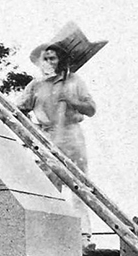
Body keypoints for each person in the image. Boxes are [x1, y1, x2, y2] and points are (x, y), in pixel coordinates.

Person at [16, 24, 104, 175]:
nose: (48, 62)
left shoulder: (74, 81)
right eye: (44, 59)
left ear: (60, 61)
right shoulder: (36, 85)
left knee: (79, 177)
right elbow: (19, 110)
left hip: (71, 134)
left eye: (52, 59)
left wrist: (72, 101)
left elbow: (91, 109)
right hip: (48, 135)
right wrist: (34, 128)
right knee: (49, 178)